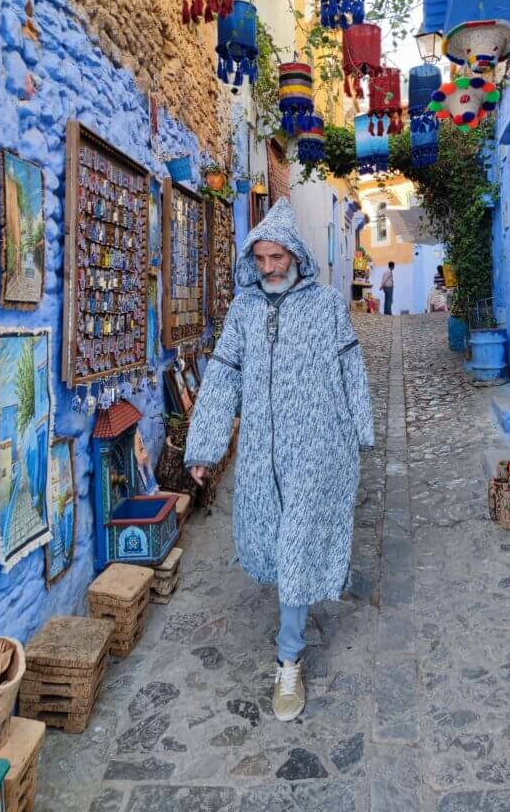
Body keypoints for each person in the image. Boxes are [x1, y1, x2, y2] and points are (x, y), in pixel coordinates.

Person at [184, 199, 374, 723]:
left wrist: (361, 431)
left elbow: (352, 368)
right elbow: (223, 376)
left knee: (294, 548)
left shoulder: (327, 305)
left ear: (295, 255)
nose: (269, 267)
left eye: (278, 257)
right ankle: (300, 610)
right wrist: (205, 446)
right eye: (262, 258)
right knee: (272, 540)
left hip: (317, 449)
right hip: (262, 455)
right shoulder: (244, 310)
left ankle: (288, 658)